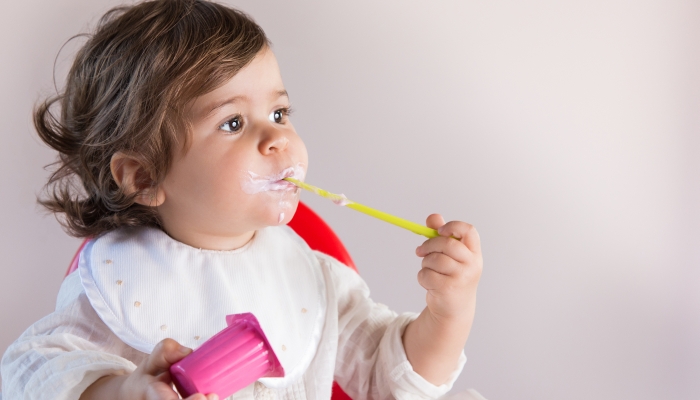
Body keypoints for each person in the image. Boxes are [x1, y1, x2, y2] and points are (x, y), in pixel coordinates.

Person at [0, 1, 483, 399]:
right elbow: (31, 375)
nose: (276, 138)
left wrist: (448, 312)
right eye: (233, 122)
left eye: (278, 111)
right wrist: (125, 389)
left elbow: (392, 379)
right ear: (143, 176)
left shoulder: (312, 277)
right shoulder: (122, 275)